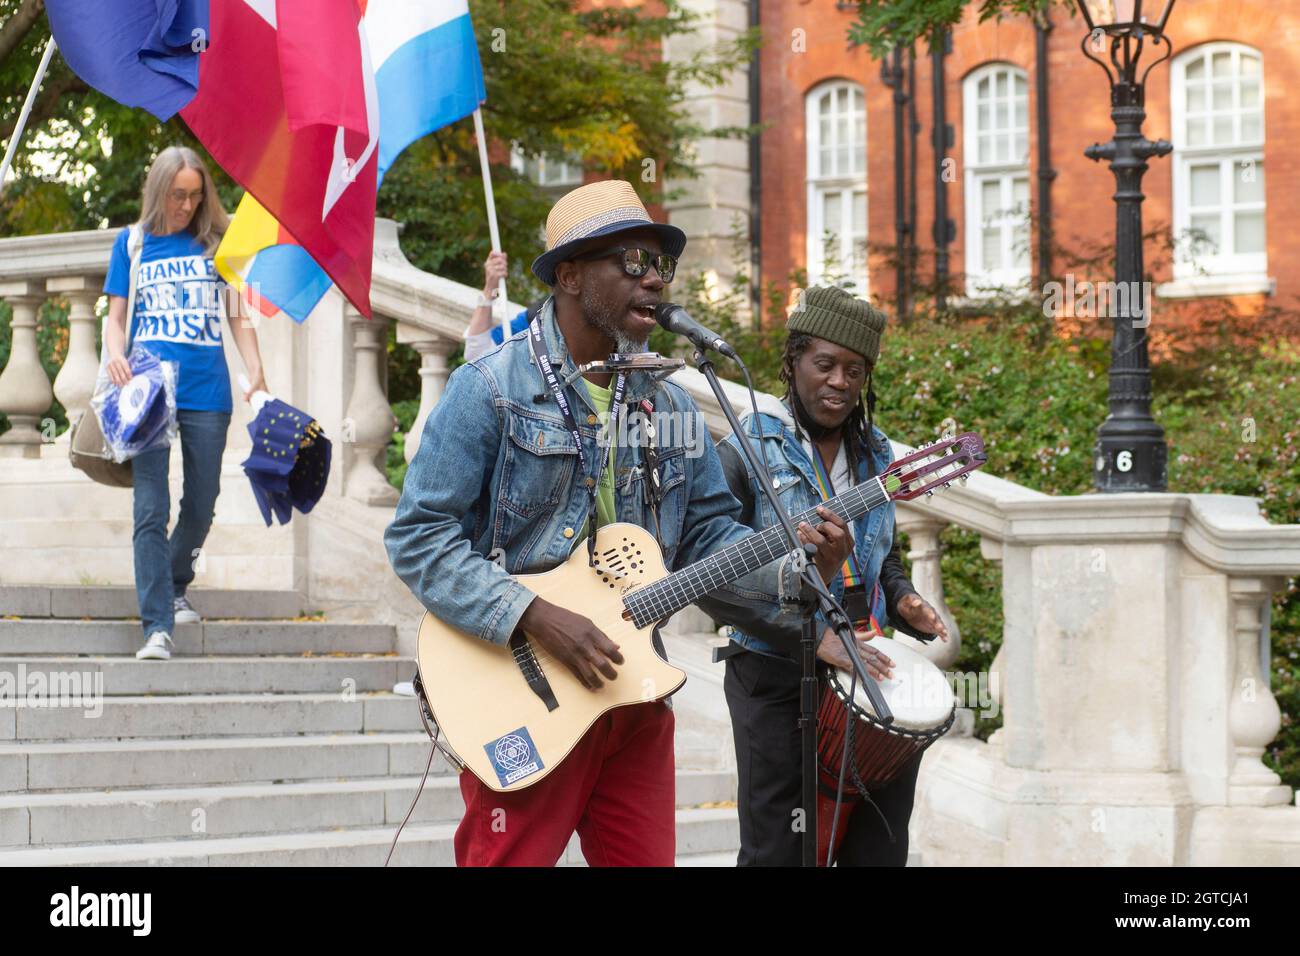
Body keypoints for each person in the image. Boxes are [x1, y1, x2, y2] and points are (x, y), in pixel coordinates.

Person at [384, 180, 850, 867]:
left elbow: (709, 538)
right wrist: (530, 614)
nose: (654, 281)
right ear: (569, 275)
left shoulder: (673, 407)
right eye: (632, 263)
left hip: (634, 691)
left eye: (661, 266)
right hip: (527, 691)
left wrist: (804, 564)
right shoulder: (490, 390)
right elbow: (418, 537)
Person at [714, 285, 951, 866]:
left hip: (864, 664)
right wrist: (811, 634)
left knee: (879, 848)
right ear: (793, 360)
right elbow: (714, 578)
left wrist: (903, 599)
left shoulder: (874, 455)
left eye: (854, 370)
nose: (839, 383)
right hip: (772, 673)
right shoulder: (746, 448)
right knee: (779, 851)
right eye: (824, 365)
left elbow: (880, 554)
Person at [102, 146, 267, 661]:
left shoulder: (218, 244)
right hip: (149, 390)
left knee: (202, 501)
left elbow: (240, 315)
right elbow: (115, 317)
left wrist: (256, 368)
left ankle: (175, 581)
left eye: (195, 196)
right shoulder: (131, 243)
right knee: (150, 507)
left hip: (207, 390)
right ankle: (157, 625)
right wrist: (114, 355)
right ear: (159, 191)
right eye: (178, 195)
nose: (186, 205)